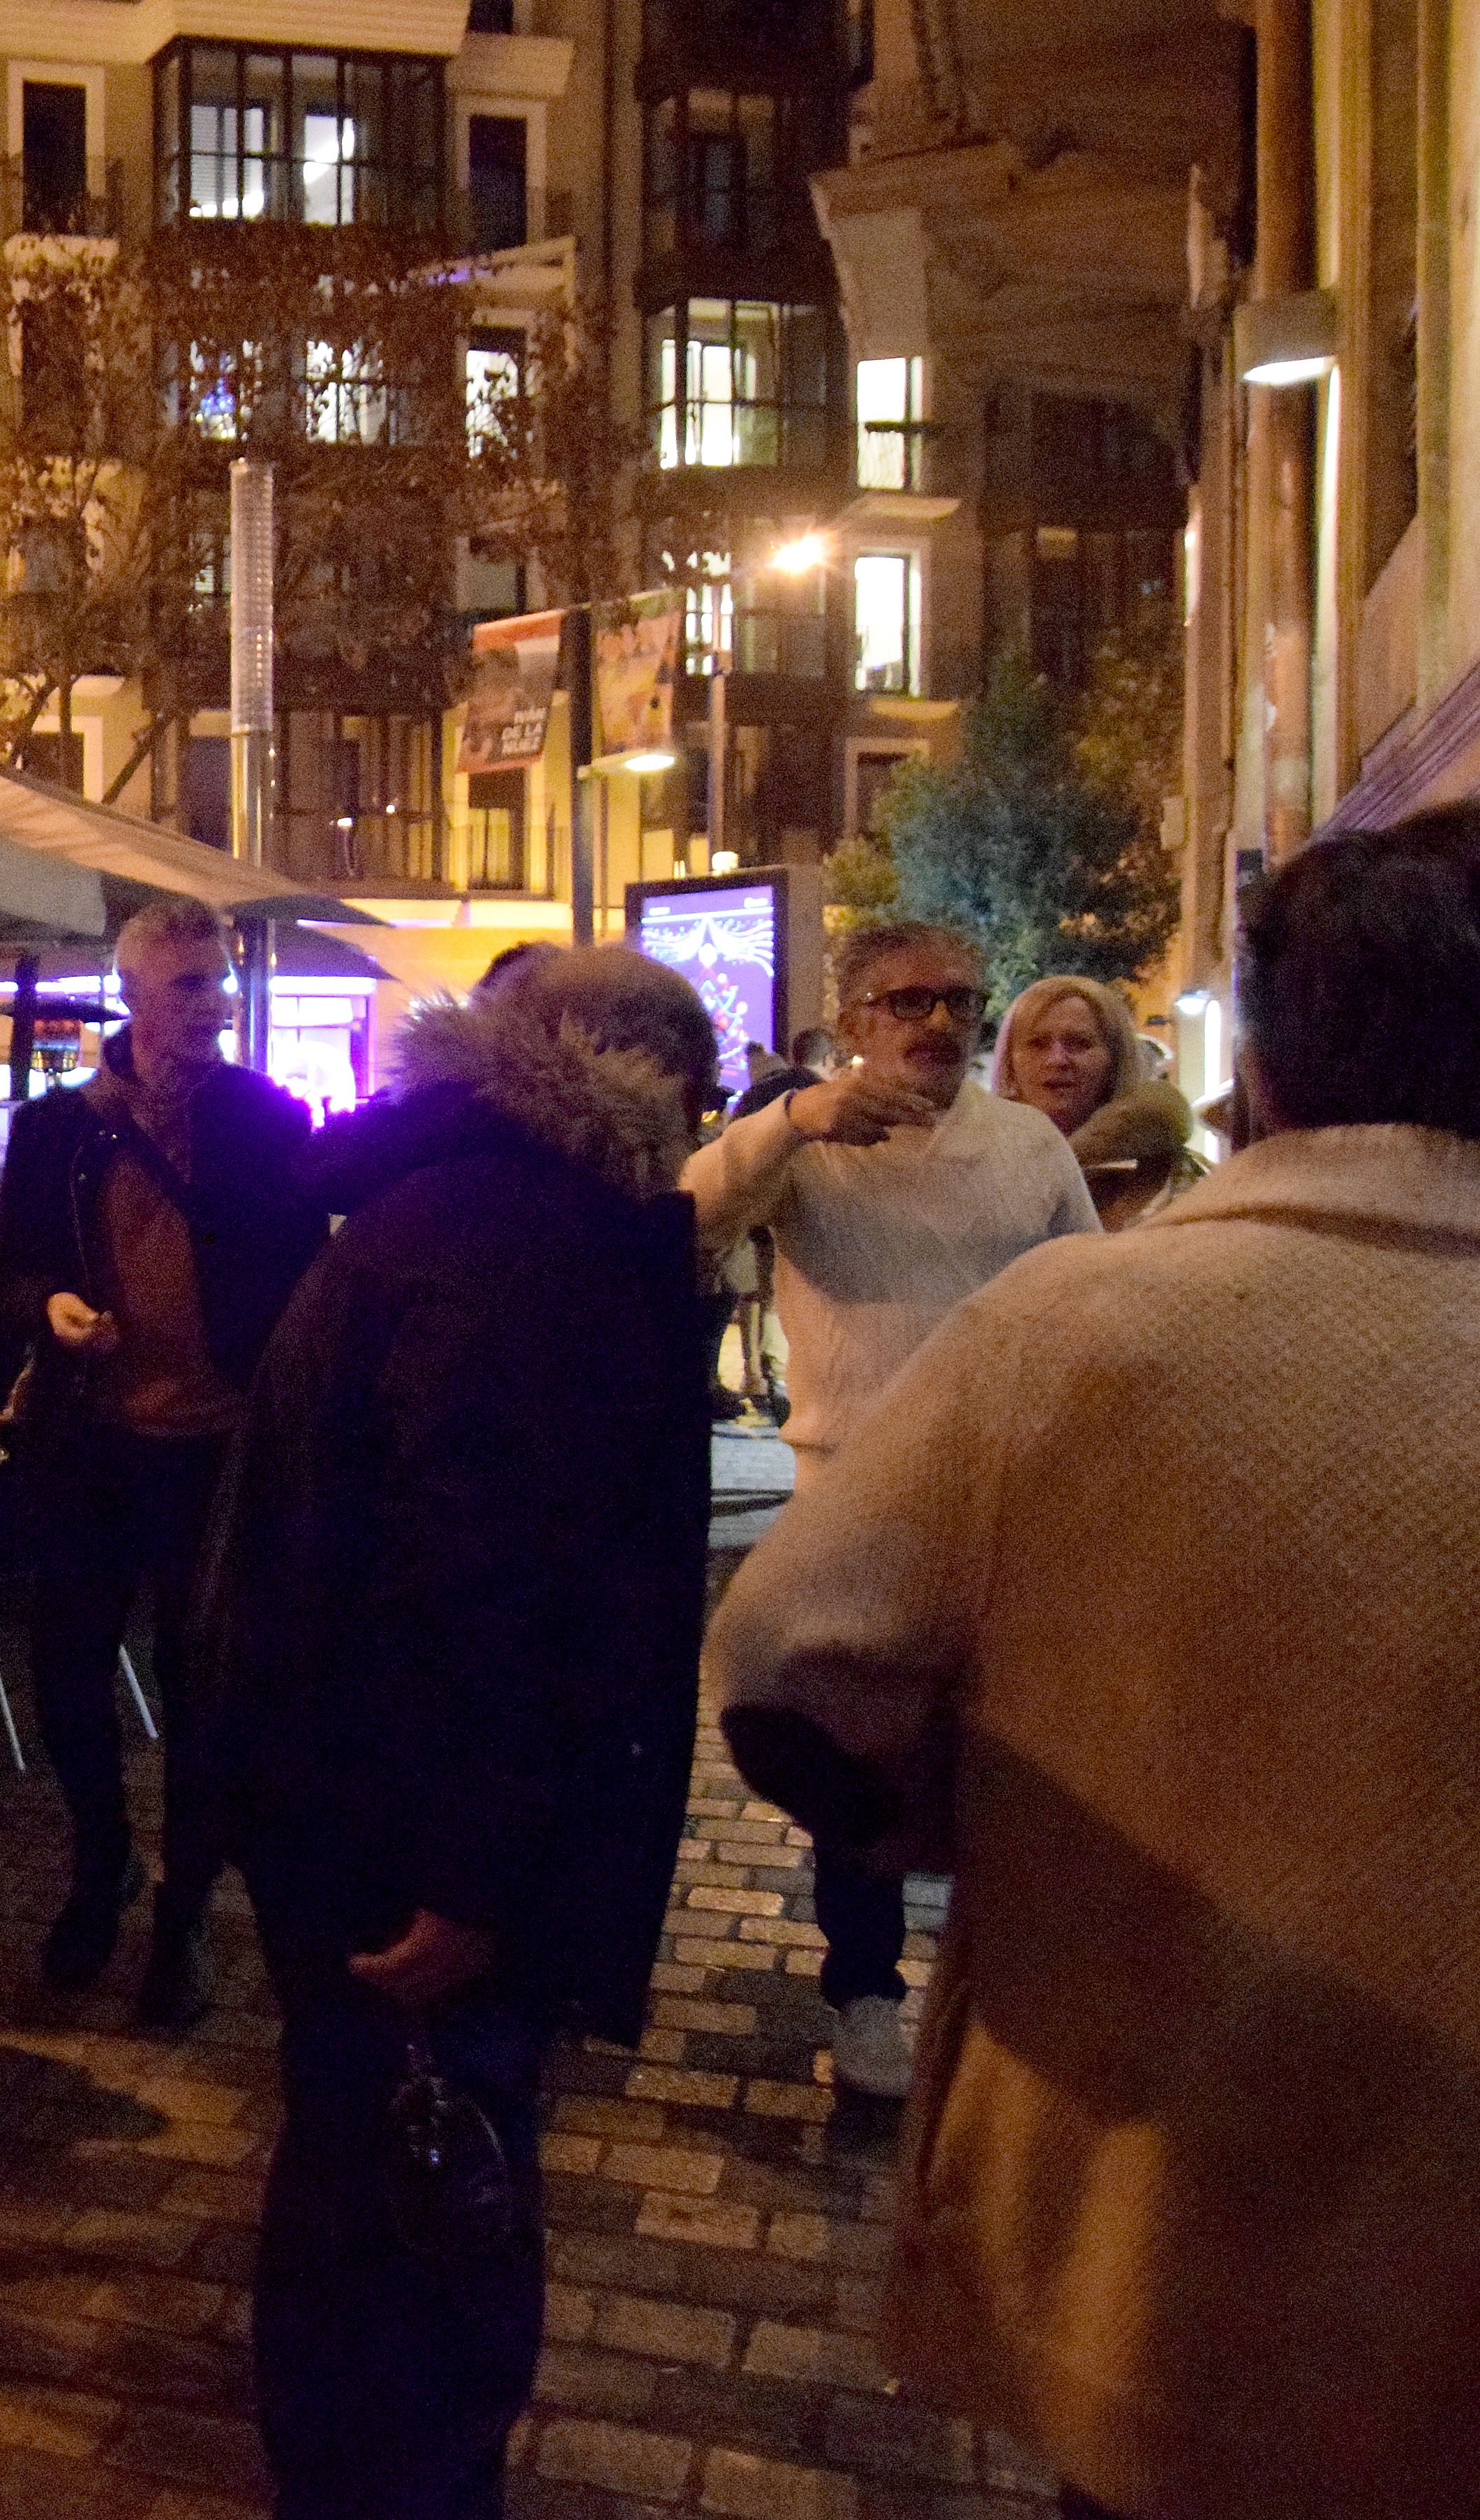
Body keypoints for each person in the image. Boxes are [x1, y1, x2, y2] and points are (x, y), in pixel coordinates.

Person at [708, 809, 1480, 2520]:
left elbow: (781, 1665)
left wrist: (988, 1809)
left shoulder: (1069, 1328)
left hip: (1159, 2239)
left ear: (1259, 1072)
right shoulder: (846, 1168)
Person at [197, 951, 722, 2520]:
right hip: (409, 1836)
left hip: (345, 1801)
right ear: (625, 1075)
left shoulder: (450, 1209)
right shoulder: (527, 1245)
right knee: (423, 2217)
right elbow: (477, 1575)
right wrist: (477, 1871)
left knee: (367, 2185)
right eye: (688, 1093)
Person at [677, 920, 1094, 2099]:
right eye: (910, 1003)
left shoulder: (1024, 1146)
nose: (941, 1025)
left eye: (962, 1002)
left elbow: (1087, 1294)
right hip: (851, 1494)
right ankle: (866, 1994)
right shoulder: (810, 1143)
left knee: (1006, 1758)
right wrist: (793, 1119)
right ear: (854, 1017)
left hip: (1005, 1502)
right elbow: (691, 1213)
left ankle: (996, 1995)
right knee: (852, 1758)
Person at [0, 896, 327, 2015]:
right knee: (70, 1672)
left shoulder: (265, 1117)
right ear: (132, 994)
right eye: (189, 984)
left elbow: (301, 1279)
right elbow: (11, 1274)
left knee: (203, 1692)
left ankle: (182, 1912)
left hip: (215, 1451)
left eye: (221, 980)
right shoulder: (55, 1128)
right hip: (88, 1442)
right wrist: (57, 1308)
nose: (215, 1003)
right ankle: (101, 1864)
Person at [992, 973, 1202, 1229]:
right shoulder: (977, 1168)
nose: (1057, 1059)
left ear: (1115, 1059)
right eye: (1037, 1044)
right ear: (1009, 1062)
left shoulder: (1171, 1176)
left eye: (1079, 1043)